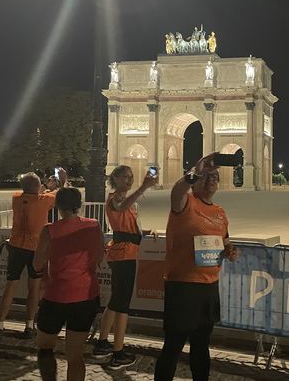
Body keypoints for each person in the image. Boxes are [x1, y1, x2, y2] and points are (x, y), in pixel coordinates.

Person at [154, 153, 239, 381]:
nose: (211, 180)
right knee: (173, 346)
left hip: (208, 287)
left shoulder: (220, 212)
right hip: (182, 286)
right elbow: (177, 191)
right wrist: (195, 171)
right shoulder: (185, 203)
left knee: (202, 346)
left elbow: (226, 241)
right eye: (207, 176)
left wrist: (231, 251)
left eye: (215, 177)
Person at [33, 188, 104, 381]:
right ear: (79, 205)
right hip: (85, 295)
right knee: (75, 354)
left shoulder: (49, 230)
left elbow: (37, 263)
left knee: (45, 345)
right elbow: (99, 257)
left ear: (57, 206)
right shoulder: (94, 226)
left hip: (56, 295)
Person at [92, 165, 157, 369]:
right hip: (124, 255)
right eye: (125, 177)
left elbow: (126, 225)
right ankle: (118, 353)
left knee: (115, 300)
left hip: (123, 252)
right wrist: (144, 186)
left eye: (131, 177)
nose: (129, 180)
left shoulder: (126, 201)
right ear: (115, 178)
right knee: (122, 306)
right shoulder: (115, 199)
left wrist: (143, 231)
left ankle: (102, 343)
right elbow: (120, 208)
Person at [0, 169, 67, 338]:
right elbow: (60, 194)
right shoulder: (43, 201)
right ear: (38, 186)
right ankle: (29, 325)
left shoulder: (17, 197)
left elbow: (33, 193)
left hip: (15, 245)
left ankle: (0, 324)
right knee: (34, 288)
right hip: (34, 249)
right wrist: (61, 181)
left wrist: (42, 188)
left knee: (10, 285)